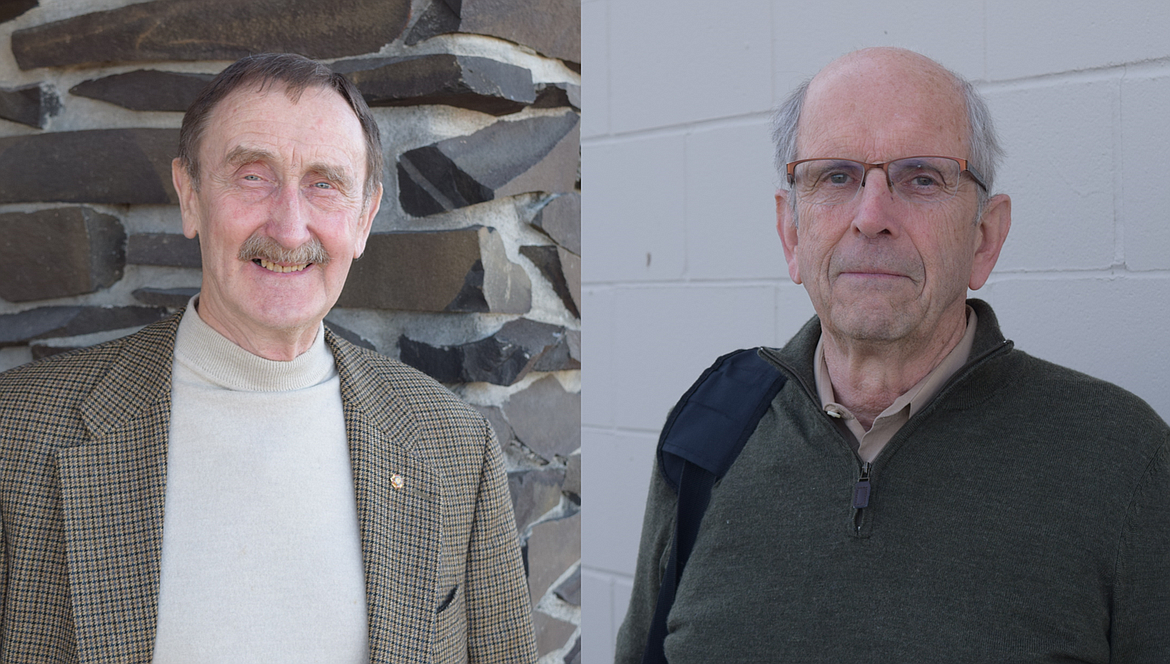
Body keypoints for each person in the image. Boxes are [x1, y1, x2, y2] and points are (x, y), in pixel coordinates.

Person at [616, 47, 1170, 662]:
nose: (871, 217)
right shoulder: (712, 431)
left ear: (985, 238)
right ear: (792, 233)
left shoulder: (1123, 461)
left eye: (922, 178)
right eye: (835, 176)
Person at [0, 53, 536, 663]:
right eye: (252, 176)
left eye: (324, 183)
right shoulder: (16, 433)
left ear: (363, 219)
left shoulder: (453, 446)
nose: (288, 227)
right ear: (190, 195)